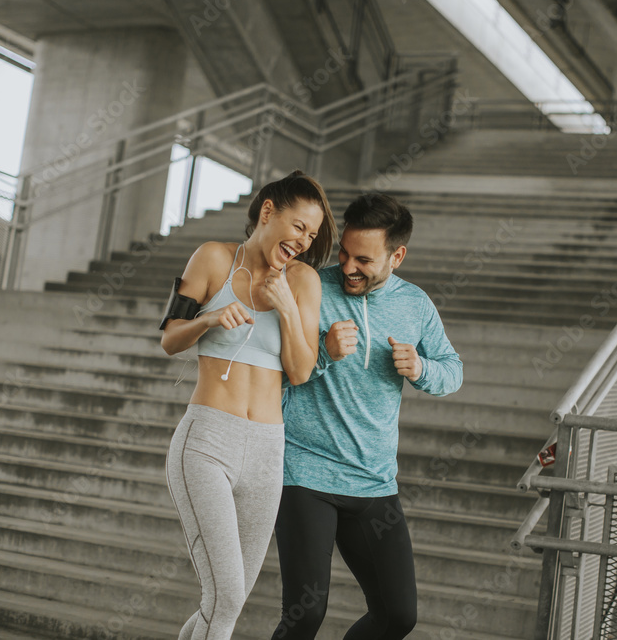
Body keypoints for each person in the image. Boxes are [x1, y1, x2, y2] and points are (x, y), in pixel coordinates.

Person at [271, 193, 464, 640]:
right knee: (306, 613)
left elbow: (452, 370)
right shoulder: (312, 285)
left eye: (364, 258)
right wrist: (323, 352)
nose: (348, 266)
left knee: (398, 616)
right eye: (344, 252)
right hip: (305, 473)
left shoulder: (415, 305)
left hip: (374, 481)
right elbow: (272, 373)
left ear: (397, 256)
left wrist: (421, 369)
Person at [161, 170, 337, 640]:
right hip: (206, 442)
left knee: (224, 606)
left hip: (266, 449)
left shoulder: (302, 283)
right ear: (267, 212)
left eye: (312, 234)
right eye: (298, 226)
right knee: (226, 597)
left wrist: (284, 307)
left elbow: (300, 371)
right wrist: (211, 318)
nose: (304, 241)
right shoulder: (213, 258)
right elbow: (170, 339)